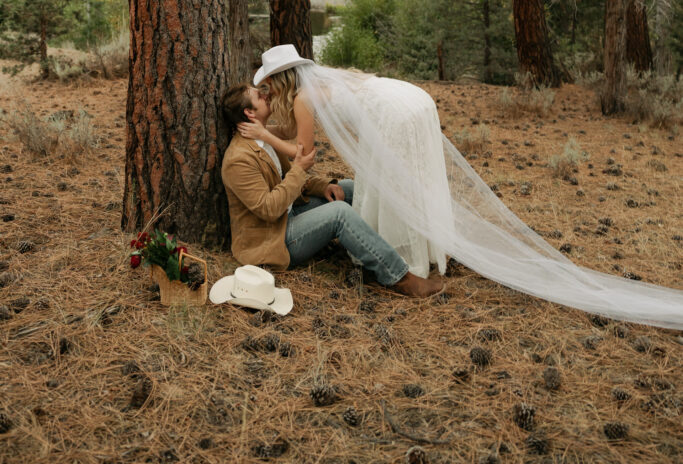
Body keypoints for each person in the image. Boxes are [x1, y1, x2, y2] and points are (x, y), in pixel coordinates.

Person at [237, 44, 683, 331]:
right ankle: (427, 251)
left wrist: (264, 137)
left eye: (267, 86)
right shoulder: (325, 80)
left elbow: (303, 153)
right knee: (388, 184)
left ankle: (407, 266)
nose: (268, 94)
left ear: (279, 81)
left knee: (384, 184)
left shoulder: (301, 98)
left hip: (395, 116)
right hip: (410, 99)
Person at [220, 82, 444, 298]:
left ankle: (401, 244)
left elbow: (291, 180)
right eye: (259, 95)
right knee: (339, 213)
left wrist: (324, 186)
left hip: (291, 213)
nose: (266, 94)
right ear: (249, 113)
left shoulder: (263, 138)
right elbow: (269, 209)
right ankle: (400, 278)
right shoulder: (238, 159)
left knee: (349, 188)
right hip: (275, 239)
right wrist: (298, 168)